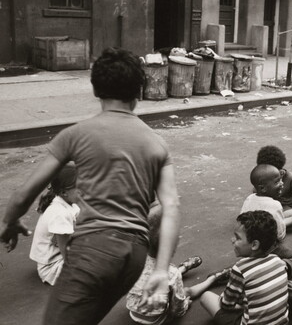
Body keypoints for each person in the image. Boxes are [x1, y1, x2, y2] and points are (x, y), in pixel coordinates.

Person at [0, 47, 181, 325]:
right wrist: (159, 268)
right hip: (134, 256)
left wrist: (10, 220)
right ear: (138, 92)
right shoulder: (157, 143)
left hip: (95, 249)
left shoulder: (75, 135)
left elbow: (26, 192)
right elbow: (171, 207)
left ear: (95, 90)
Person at [127, 202, 230, 325]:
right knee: (187, 291)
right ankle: (212, 279)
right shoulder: (171, 273)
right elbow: (177, 309)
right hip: (156, 320)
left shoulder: (132, 260)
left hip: (134, 312)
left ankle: (183, 268)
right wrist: (185, 304)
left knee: (161, 277)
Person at [200, 210, 289, 325]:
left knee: (206, 297)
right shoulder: (278, 261)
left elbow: (226, 305)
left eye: (237, 238)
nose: (232, 240)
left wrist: (237, 303)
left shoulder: (240, 269)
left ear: (254, 245)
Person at [241, 164, 292, 277]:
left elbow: (242, 220)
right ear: (263, 188)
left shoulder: (249, 198)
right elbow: (280, 234)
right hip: (266, 247)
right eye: (277, 182)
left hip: (249, 243)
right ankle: (280, 270)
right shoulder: (275, 205)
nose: (282, 184)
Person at [29, 162, 80, 286]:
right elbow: (67, 254)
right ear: (63, 192)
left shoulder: (68, 203)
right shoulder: (59, 213)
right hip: (52, 267)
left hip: (60, 257)